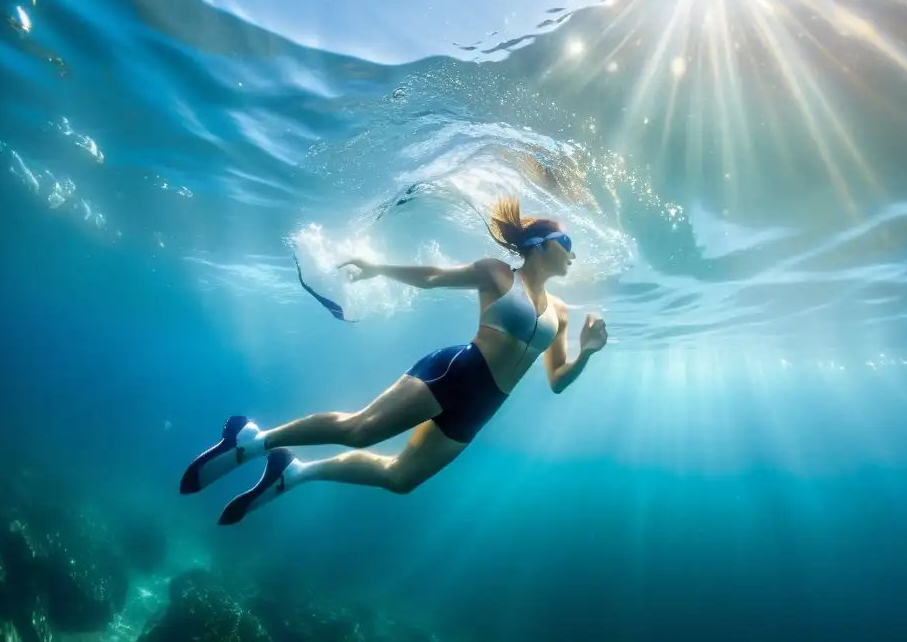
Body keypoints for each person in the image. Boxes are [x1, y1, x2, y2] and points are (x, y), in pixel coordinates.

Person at [179, 196, 609, 524]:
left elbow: (557, 380)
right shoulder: (498, 273)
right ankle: (254, 441)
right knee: (360, 429)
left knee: (401, 479)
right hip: (456, 373)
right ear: (538, 246)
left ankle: (295, 473)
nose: (572, 254)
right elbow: (435, 277)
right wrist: (378, 268)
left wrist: (586, 352)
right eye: (565, 243)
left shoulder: (562, 313)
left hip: (484, 405)